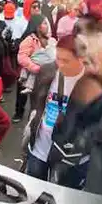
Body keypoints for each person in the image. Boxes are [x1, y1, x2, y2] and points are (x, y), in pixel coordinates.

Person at [21, 33, 87, 184]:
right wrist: (32, 126)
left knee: (62, 201)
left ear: (81, 59)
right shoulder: (47, 71)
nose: (60, 64)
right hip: (39, 147)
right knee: (32, 193)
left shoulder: (92, 83)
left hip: (69, 155)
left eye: (66, 61)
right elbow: (36, 104)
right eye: (58, 58)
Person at [16, 14, 55, 111]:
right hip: (36, 78)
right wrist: (37, 68)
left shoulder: (51, 40)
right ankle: (33, 124)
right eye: (45, 23)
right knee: (36, 106)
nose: (48, 26)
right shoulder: (29, 40)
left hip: (50, 77)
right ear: (37, 26)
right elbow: (22, 57)